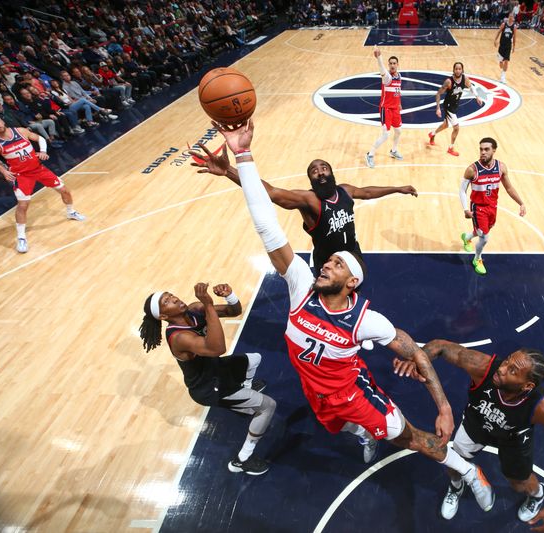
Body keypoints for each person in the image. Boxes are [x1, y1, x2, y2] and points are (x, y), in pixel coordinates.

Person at [211, 119, 495, 508]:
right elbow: (266, 222)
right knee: (340, 427)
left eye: (336, 266)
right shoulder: (300, 288)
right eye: (326, 263)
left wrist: (444, 407)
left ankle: (466, 471)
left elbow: (414, 351)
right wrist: (241, 156)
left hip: (352, 393)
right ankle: (363, 434)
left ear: (351, 283)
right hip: (315, 388)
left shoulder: (365, 320)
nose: (325, 266)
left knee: (410, 437)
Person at [414, 340, 544, 530]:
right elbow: (440, 346)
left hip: (513, 438)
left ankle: (537, 494)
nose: (502, 368)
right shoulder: (483, 367)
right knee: (453, 463)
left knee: (519, 483)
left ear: (527, 386)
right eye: (507, 361)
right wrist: (416, 359)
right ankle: (456, 486)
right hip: (477, 423)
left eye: (513, 371)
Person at [188, 143, 417, 272]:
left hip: (352, 252)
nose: (320, 171)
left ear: (332, 172)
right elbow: (270, 193)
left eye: (324, 167)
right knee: (328, 300)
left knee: (358, 282)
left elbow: (367, 192)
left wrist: (397, 188)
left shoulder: (345, 190)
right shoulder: (309, 200)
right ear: (311, 180)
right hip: (327, 263)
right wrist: (229, 171)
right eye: (314, 171)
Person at [139, 283, 276, 476]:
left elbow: (234, 311)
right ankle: (243, 459)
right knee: (268, 406)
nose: (175, 298)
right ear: (163, 316)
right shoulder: (179, 337)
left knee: (255, 359)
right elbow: (217, 349)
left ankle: (245, 391)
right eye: (167, 301)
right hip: (208, 387)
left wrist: (230, 296)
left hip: (216, 369)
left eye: (171, 295)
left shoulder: (195, 309)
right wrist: (209, 305)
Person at [0, 115, 86, 253]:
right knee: (23, 205)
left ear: (2, 121)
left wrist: (43, 151)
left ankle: (71, 212)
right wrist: (3, 171)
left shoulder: (21, 131)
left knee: (65, 190)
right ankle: (21, 238)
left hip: (38, 169)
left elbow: (39, 138)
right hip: (21, 176)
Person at [459, 138, 526, 275]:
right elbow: (461, 190)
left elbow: (509, 188)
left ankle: (466, 237)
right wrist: (466, 209)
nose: (483, 152)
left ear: (494, 150)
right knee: (484, 237)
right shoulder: (472, 170)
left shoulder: (501, 167)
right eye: (481, 149)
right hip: (478, 207)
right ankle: (477, 259)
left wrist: (521, 203)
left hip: (492, 206)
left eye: (486, 149)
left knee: (481, 231)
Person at [428, 62, 483, 157]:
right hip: (448, 106)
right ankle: (450, 148)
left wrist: (477, 97)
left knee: (445, 125)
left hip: (455, 105)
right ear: (453, 70)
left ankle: (432, 134)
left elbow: (471, 87)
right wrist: (438, 108)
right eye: (456, 69)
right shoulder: (449, 81)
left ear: (462, 70)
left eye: (459, 69)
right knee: (456, 128)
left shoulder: (465, 79)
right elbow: (438, 93)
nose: (458, 70)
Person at [365, 48, 402, 168]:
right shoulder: (387, 77)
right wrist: (379, 58)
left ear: (397, 65)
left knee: (398, 131)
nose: (392, 65)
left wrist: (399, 103)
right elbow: (382, 69)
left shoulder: (399, 76)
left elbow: (398, 91)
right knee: (385, 135)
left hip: (395, 108)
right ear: (388, 65)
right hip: (386, 108)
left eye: (394, 63)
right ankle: (370, 155)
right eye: (390, 63)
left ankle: (394, 151)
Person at [494, 14, 517, 84]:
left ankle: (503, 77)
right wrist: (495, 40)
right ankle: (500, 61)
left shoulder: (514, 27)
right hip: (502, 45)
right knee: (501, 64)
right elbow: (498, 32)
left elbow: (515, 37)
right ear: (508, 17)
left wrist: (514, 47)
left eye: (512, 17)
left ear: (513, 19)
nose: (511, 18)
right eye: (510, 16)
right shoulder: (504, 24)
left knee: (506, 61)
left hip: (508, 46)